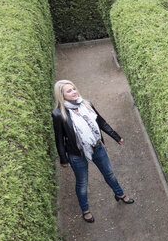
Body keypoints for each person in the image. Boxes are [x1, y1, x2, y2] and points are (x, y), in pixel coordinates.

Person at [52, 79, 134, 223]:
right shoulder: (59, 114)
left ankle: (120, 194)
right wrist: (63, 158)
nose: (74, 92)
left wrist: (116, 136)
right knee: (82, 183)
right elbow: (59, 139)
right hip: (77, 154)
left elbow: (101, 122)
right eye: (69, 91)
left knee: (109, 174)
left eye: (74, 89)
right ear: (61, 95)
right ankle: (85, 210)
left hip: (97, 147)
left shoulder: (86, 104)